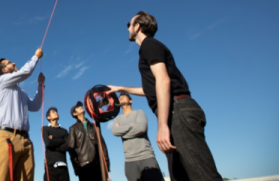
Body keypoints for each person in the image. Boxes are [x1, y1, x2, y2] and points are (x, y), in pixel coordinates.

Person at [108, 11, 222, 181]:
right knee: (180, 175)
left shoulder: (149, 45)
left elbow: (163, 80)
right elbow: (152, 88)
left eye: (129, 24)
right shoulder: (147, 49)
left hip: (178, 110)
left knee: (202, 175)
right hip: (174, 112)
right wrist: (121, 88)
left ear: (137, 26)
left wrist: (162, 125)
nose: (127, 28)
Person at [0, 48, 45, 181]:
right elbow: (25, 72)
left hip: (25, 140)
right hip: (5, 137)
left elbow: (35, 106)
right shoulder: (1, 81)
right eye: (9, 63)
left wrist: (40, 85)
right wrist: (35, 57)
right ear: (4, 70)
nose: (14, 63)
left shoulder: (22, 92)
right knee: (0, 178)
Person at [111, 92, 164, 181]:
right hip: (129, 161)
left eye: (124, 96)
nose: (121, 97)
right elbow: (115, 131)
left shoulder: (139, 112)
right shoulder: (117, 119)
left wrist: (123, 132)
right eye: (120, 97)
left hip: (146, 156)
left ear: (130, 101)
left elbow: (141, 128)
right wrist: (132, 126)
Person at [67, 101, 110, 181]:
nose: (81, 107)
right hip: (84, 167)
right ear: (74, 114)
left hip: (98, 165)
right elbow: (71, 150)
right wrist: (77, 168)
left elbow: (102, 145)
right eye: (78, 107)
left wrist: (106, 165)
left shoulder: (94, 126)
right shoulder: (73, 128)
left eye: (80, 106)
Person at [42, 107, 71, 181]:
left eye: (56, 111)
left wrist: (53, 140)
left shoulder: (64, 131)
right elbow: (48, 143)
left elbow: (67, 146)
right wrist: (63, 140)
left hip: (63, 166)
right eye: (53, 112)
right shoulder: (45, 129)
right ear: (48, 117)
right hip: (50, 166)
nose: (56, 113)